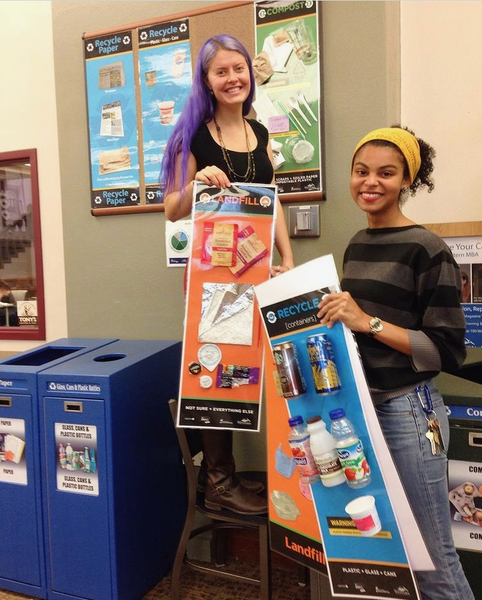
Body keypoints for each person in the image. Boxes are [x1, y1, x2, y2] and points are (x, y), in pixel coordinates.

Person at [317, 126, 474, 600]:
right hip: (361, 410)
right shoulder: (357, 243)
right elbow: (349, 323)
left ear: (407, 179)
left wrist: (368, 322)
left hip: (410, 411)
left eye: (386, 173)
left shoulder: (426, 248)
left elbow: (447, 349)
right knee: (393, 550)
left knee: (431, 557)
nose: (371, 182)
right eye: (361, 171)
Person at [162, 34, 295, 515]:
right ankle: (218, 480)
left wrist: (288, 257)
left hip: (257, 270)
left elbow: (272, 203)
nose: (233, 77)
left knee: (246, 371)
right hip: (213, 279)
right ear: (207, 81)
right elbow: (171, 211)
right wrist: (196, 181)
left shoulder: (260, 134)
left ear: (249, 74)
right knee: (218, 372)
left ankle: (228, 475)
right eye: (222, 71)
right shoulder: (192, 135)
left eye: (239, 68)